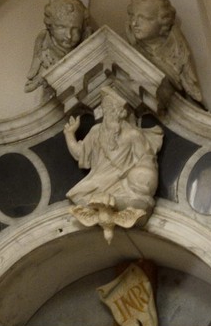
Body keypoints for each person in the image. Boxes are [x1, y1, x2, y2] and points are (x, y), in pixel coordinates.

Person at [64, 89, 164, 237]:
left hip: (124, 182)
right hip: (97, 181)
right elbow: (80, 153)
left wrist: (142, 179)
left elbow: (146, 160)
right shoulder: (96, 131)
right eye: (106, 110)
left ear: (120, 113)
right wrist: (69, 134)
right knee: (77, 194)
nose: (109, 114)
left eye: (112, 110)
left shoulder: (133, 135)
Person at [127, 0, 203, 104]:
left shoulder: (178, 49)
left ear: (162, 20)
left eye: (143, 18)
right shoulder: (128, 47)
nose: (134, 23)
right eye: (133, 16)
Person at [25, 0, 91, 92]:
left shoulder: (86, 41)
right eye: (61, 27)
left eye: (75, 29)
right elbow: (29, 82)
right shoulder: (44, 44)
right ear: (50, 26)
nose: (69, 35)